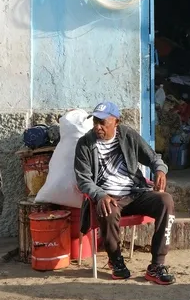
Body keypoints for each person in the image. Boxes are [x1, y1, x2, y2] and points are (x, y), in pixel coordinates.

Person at [74, 101, 176, 285]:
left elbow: (153, 158)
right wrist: (99, 194)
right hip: (108, 197)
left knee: (166, 201)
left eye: (103, 122)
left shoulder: (128, 135)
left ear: (116, 122)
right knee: (107, 208)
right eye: (96, 121)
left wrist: (160, 170)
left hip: (134, 192)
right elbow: (83, 179)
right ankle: (115, 260)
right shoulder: (85, 144)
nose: (98, 126)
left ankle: (157, 265)